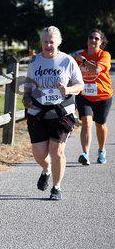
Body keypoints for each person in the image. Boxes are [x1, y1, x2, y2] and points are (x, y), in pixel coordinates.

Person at [22, 26, 84, 200]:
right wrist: (26, 96)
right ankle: (46, 169)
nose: (48, 45)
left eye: (51, 42)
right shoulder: (34, 61)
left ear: (59, 42)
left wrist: (68, 89)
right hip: (37, 111)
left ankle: (56, 187)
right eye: (45, 42)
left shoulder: (67, 61)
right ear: (41, 42)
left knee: (57, 152)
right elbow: (28, 84)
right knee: (39, 154)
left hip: (61, 112)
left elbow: (80, 85)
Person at [73, 29, 112, 165]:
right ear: (87, 40)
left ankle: (101, 150)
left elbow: (95, 70)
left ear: (101, 42)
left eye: (96, 38)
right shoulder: (78, 56)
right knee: (86, 122)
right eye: (91, 37)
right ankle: (85, 154)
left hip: (103, 95)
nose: (93, 40)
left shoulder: (104, 55)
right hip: (84, 95)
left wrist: (83, 61)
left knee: (100, 124)